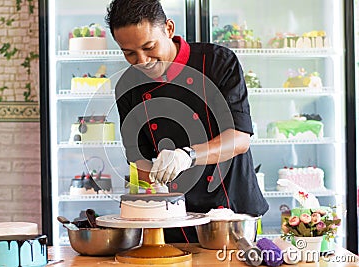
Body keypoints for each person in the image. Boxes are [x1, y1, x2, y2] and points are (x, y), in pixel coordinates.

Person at [105, 0, 269, 242]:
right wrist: (152, 187)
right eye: (129, 53)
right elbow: (137, 156)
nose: (142, 61)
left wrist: (187, 156)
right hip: (171, 219)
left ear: (169, 29)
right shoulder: (127, 87)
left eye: (149, 47)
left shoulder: (217, 62)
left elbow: (239, 138)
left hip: (230, 213)